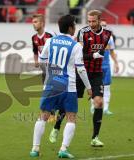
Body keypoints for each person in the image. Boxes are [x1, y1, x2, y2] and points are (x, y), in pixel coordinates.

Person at [30, 14, 92, 159]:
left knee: (43, 116)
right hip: (68, 87)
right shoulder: (75, 45)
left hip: (51, 85)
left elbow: (42, 60)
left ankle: (35, 149)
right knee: (71, 118)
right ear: (71, 27)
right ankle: (63, 149)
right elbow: (81, 69)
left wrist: (50, 75)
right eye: (74, 26)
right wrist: (89, 87)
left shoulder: (50, 41)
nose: (75, 28)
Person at [76, 10, 112, 147]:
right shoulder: (83, 33)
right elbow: (78, 56)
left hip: (96, 73)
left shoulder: (107, 34)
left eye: (93, 21)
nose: (91, 24)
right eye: (89, 21)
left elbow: (102, 51)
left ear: (99, 20)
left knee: (99, 102)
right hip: (81, 71)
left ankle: (95, 137)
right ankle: (56, 126)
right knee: (70, 101)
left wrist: (99, 55)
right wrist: (93, 56)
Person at [31, 13, 65, 144]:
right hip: (44, 69)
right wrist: (36, 61)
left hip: (55, 68)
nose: (33, 24)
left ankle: (52, 112)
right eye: (33, 22)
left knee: (54, 91)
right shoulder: (34, 37)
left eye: (35, 22)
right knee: (46, 90)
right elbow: (35, 51)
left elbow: (61, 46)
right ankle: (50, 113)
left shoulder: (50, 35)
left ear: (42, 23)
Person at [90, 20, 119, 115]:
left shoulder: (109, 39)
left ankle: (106, 108)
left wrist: (116, 63)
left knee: (107, 87)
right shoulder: (91, 38)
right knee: (94, 88)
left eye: (105, 25)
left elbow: (112, 52)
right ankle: (93, 106)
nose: (104, 27)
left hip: (106, 66)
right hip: (95, 66)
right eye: (102, 25)